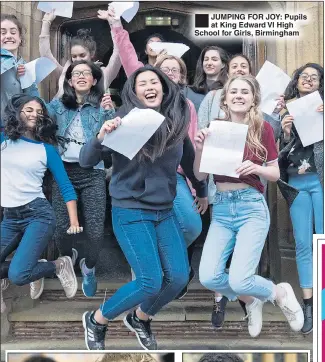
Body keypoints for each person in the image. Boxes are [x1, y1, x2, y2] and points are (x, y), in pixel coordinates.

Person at [80, 65, 207, 350]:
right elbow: (87, 160)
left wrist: (202, 191)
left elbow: (190, 166)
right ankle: (97, 320)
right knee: (150, 281)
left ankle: (141, 317)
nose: (149, 86)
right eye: (142, 83)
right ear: (134, 92)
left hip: (164, 211)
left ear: (163, 88)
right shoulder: (122, 121)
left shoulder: (175, 124)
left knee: (176, 277)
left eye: (155, 82)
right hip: (131, 210)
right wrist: (101, 136)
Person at [99, 9, 209, 298]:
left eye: (176, 70)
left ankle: (171, 266)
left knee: (191, 225)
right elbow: (126, 55)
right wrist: (115, 24)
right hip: (140, 178)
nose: (170, 72)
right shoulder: (142, 96)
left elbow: (190, 150)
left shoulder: (188, 107)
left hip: (176, 178)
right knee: (143, 243)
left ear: (182, 76)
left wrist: (198, 183)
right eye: (165, 69)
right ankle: (147, 283)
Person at [194, 75, 304, 338]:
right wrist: (199, 148)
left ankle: (280, 293)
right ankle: (255, 299)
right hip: (221, 209)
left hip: (251, 207)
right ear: (225, 98)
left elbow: (275, 174)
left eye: (245, 91)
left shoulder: (262, 127)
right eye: (234, 91)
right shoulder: (214, 127)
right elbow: (199, 176)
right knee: (209, 277)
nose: (239, 95)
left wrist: (256, 168)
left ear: (253, 98)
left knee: (240, 277)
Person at [0, 94, 82, 314]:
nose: (34, 115)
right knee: (20, 269)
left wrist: (73, 220)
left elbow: (65, 185)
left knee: (18, 275)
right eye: (28, 110)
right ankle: (29, 267)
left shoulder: (46, 150)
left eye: (39, 112)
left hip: (38, 216)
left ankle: (58, 265)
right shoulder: (3, 141)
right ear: (17, 112)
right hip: (10, 217)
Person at [46, 60, 115, 297]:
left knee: (96, 233)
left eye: (87, 73)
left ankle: (89, 267)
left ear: (95, 80)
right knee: (60, 231)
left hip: (92, 171)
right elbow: (38, 117)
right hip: (63, 171)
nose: (82, 76)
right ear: (70, 81)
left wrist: (109, 111)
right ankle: (70, 256)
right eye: (76, 73)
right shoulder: (57, 106)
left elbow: (112, 140)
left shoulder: (101, 106)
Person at [278, 62, 324, 335]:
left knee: (323, 241)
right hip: (295, 185)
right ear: (295, 82)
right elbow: (273, 152)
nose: (308, 80)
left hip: (321, 183)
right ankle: (309, 306)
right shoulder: (285, 111)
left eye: (314, 77)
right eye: (303, 76)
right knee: (303, 245)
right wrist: (284, 131)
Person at [39, 9, 121, 98]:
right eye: (74, 56)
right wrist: (46, 22)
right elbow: (46, 58)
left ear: (92, 53)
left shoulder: (103, 74)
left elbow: (118, 53)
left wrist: (114, 23)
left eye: (82, 55)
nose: (78, 59)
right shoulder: (65, 73)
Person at [1, 14, 39, 124]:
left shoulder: (26, 67)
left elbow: (33, 101)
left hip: (18, 128)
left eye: (13, 32)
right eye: (3, 33)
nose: (8, 36)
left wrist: (22, 79)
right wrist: (8, 64)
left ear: (20, 39)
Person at [187, 45, 229, 112]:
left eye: (214, 59)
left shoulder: (228, 90)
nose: (209, 63)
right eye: (206, 59)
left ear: (223, 64)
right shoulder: (190, 91)